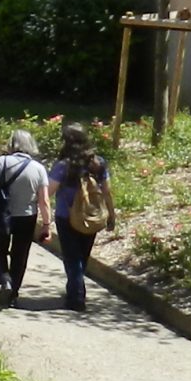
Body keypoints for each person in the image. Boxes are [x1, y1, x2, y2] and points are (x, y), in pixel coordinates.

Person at [0, 128, 52, 308]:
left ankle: (4, 278)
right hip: (27, 216)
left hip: (2, 214)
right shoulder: (39, 169)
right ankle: (13, 294)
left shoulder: (2, 162)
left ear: (12, 144)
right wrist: (47, 225)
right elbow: (44, 201)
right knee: (20, 254)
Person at [46, 122, 114, 313]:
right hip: (92, 216)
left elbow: (49, 190)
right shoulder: (98, 163)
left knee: (72, 258)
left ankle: (76, 297)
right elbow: (107, 191)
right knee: (82, 257)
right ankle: (75, 290)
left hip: (66, 217)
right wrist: (111, 215)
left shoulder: (63, 166)